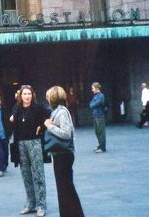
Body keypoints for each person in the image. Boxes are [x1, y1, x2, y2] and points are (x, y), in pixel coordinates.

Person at [44, 86, 85, 217]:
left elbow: (66, 133)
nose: (47, 99)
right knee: (63, 188)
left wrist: (50, 126)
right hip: (60, 154)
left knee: (65, 188)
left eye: (48, 97)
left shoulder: (61, 112)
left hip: (63, 154)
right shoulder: (58, 111)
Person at [10, 85, 49, 216]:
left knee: (38, 174)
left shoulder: (38, 108)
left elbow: (50, 117)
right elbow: (12, 121)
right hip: (20, 144)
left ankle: (41, 205)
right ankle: (31, 203)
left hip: (35, 142)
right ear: (20, 95)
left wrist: (42, 126)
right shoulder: (16, 108)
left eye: (29, 94)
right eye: (24, 94)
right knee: (26, 175)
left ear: (33, 95)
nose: (27, 96)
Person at [88, 82, 106, 153]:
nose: (92, 90)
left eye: (93, 88)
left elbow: (95, 104)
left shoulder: (101, 96)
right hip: (95, 115)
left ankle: (102, 147)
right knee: (97, 131)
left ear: (96, 88)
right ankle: (100, 145)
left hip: (100, 115)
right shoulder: (95, 96)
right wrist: (93, 105)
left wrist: (93, 105)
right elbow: (91, 104)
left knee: (101, 132)